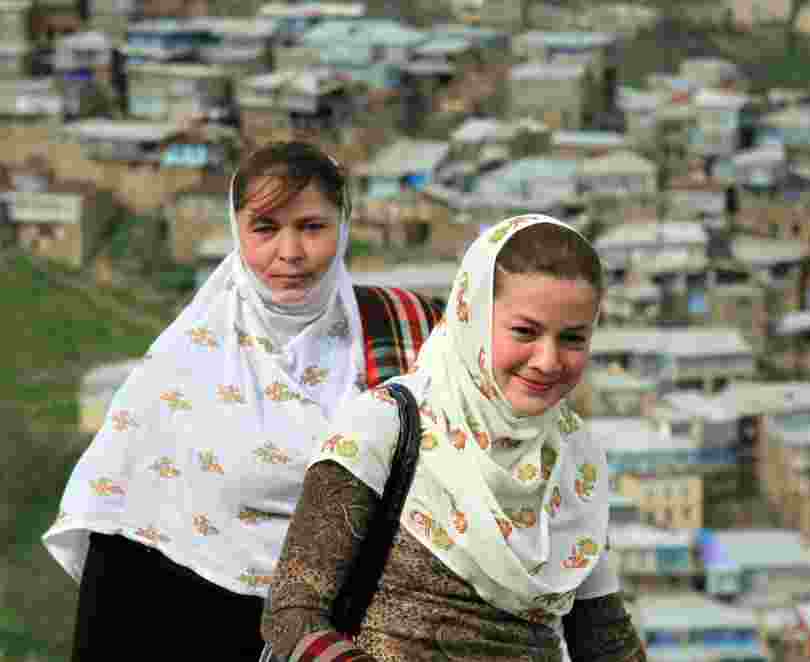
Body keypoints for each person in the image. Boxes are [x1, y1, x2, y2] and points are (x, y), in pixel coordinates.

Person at [42, 141, 442, 660]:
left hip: (366, 630)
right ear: (238, 231)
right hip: (206, 625)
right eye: (266, 228)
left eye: (312, 227)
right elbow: (124, 545)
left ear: (343, 225)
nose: (290, 252)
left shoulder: (406, 333)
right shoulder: (182, 369)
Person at [262, 214, 647, 662]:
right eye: (524, 331)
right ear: (472, 315)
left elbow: (604, 639)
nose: (548, 360)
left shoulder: (573, 460)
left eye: (573, 339)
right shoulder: (388, 425)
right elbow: (293, 615)